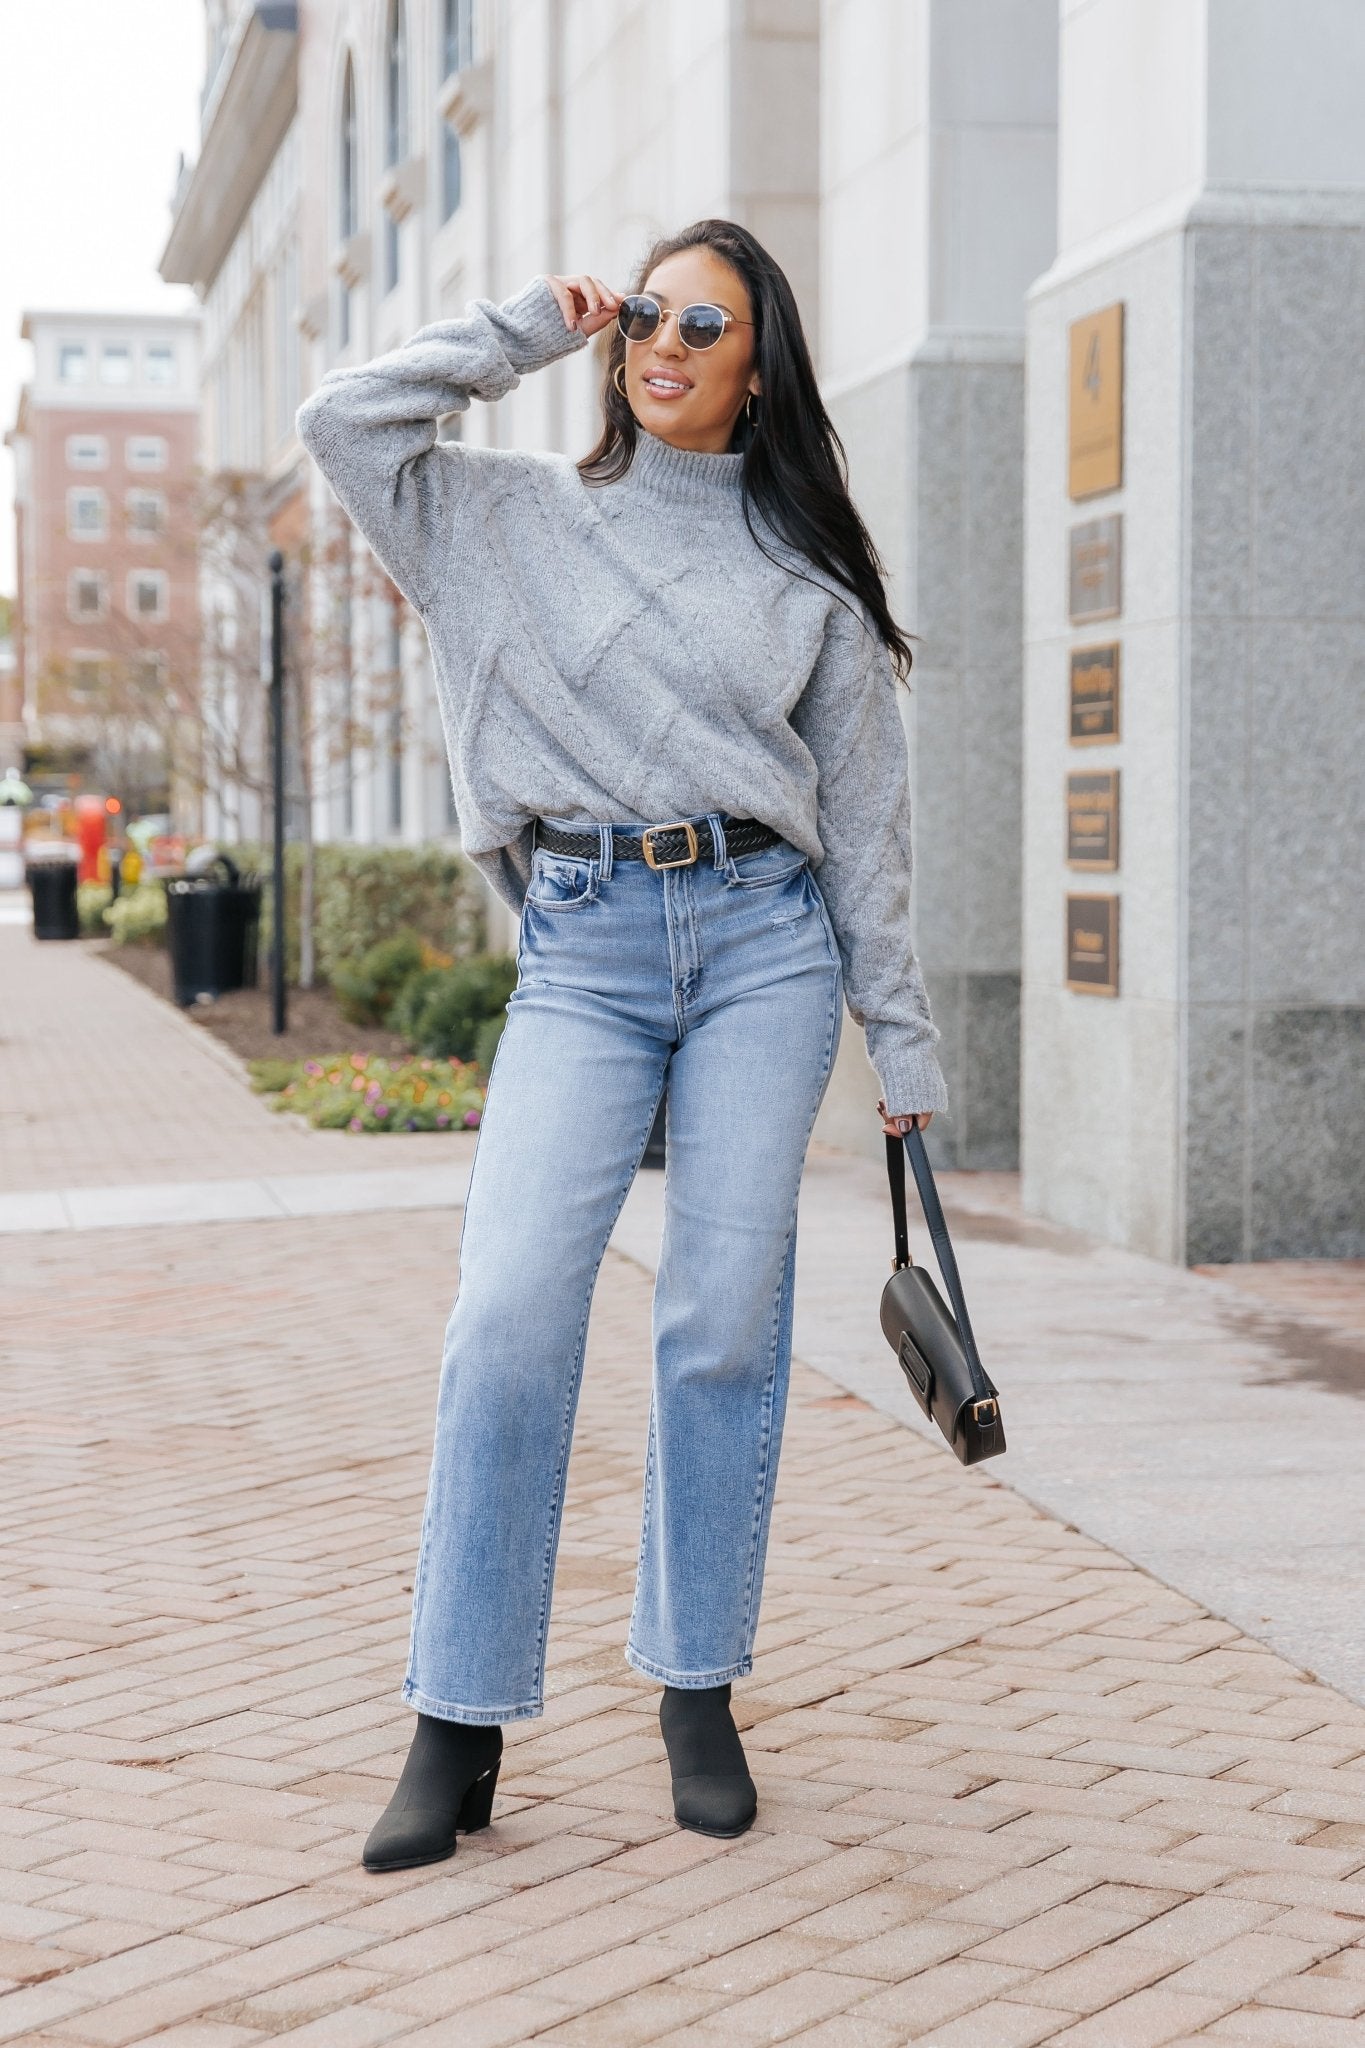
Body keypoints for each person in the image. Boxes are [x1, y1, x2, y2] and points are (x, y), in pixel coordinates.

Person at [294, 217, 946, 1870]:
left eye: (703, 322)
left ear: (757, 364)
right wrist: (522, 325)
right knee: (509, 1308)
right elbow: (343, 422)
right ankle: (456, 1718)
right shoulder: (501, 517)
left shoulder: (807, 578)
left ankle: (696, 1685)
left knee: (722, 1323)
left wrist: (907, 1059)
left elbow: (864, 834)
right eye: (647, 312)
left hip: (763, 947)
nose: (663, 340)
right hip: (581, 950)